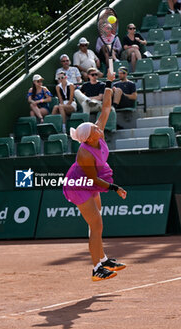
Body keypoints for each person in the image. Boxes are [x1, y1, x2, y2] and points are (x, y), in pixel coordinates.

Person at [63, 70, 127, 281]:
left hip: (89, 180)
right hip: (79, 184)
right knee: (96, 224)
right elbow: (92, 180)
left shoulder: (95, 133)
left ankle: (103, 259)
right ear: (89, 138)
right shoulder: (84, 153)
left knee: (97, 219)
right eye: (94, 129)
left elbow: (106, 107)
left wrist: (109, 82)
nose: (99, 128)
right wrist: (115, 188)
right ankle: (96, 269)